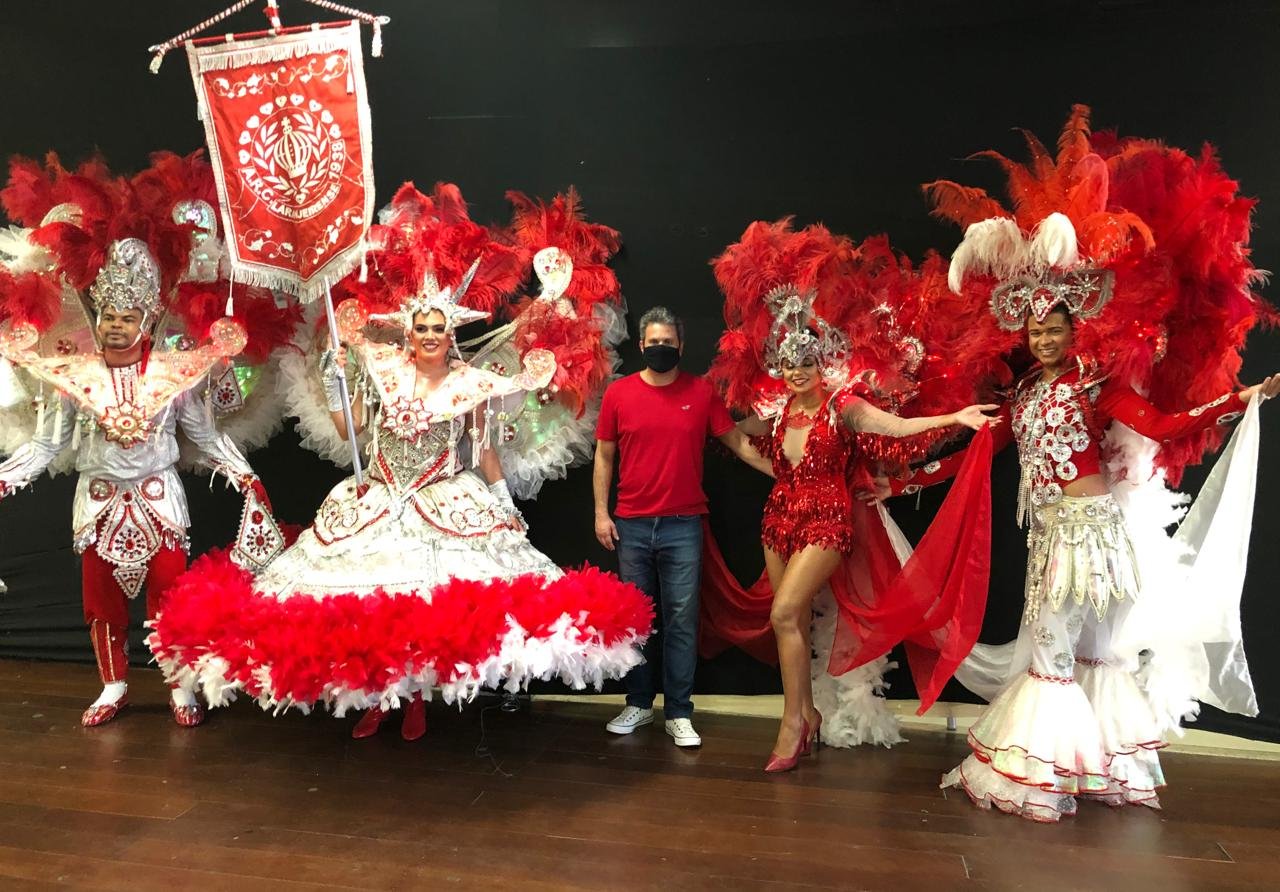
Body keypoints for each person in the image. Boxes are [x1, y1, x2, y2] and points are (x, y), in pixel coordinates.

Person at [147, 253, 653, 734]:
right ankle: (379, 699)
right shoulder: (383, 371)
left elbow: (483, 452)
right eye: (422, 327)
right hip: (376, 501)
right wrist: (336, 379)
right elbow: (349, 431)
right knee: (373, 611)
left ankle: (415, 702)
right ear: (408, 332)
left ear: (450, 334)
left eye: (438, 328)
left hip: (445, 504)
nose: (430, 335)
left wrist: (502, 502)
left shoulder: (470, 384)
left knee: (427, 613)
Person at [0, 238, 266, 727]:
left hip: (158, 499)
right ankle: (113, 686)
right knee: (101, 602)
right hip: (98, 501)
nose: (116, 326)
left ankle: (180, 687)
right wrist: (5, 478)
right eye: (109, 317)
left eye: (127, 317)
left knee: (171, 600)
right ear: (97, 320)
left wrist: (243, 474)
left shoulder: (172, 378)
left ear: (146, 321)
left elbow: (206, 437)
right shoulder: (75, 378)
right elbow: (45, 444)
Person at [730, 286, 996, 771]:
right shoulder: (781, 412)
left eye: (805, 363)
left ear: (821, 365)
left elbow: (894, 427)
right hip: (779, 518)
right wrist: (705, 421)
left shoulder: (843, 406)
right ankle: (806, 713)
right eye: (788, 365)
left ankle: (792, 723)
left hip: (827, 520)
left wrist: (956, 416)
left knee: (784, 613)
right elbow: (743, 439)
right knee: (792, 619)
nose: (797, 372)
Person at [594, 306, 767, 747]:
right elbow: (604, 456)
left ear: (681, 346)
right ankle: (637, 704)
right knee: (636, 622)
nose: (660, 348)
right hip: (631, 525)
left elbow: (738, 442)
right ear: (641, 345)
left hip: (683, 525)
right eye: (654, 342)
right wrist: (600, 513)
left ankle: (678, 712)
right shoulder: (618, 394)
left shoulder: (701, 392)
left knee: (682, 623)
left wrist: (784, 473)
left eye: (668, 342)